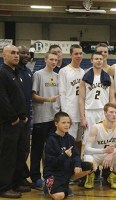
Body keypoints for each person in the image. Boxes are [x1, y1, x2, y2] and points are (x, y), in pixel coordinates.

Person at [43, 112, 92, 200]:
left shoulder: (70, 138)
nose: (67, 125)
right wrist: (64, 155)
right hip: (54, 172)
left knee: (88, 167)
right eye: (63, 123)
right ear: (56, 124)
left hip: (66, 169)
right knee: (59, 196)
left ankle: (66, 183)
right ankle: (48, 185)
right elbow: (51, 162)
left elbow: (76, 155)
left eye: (68, 123)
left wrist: (77, 164)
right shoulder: (51, 140)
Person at [0, 45, 28, 198]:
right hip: (9, 123)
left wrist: (23, 116)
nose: (16, 56)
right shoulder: (2, 73)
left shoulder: (15, 73)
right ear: (4, 56)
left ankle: (16, 182)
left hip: (19, 122)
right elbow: (2, 100)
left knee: (19, 154)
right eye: (12, 53)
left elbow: (18, 98)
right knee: (7, 156)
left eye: (17, 53)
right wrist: (13, 118)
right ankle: (4, 187)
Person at [30, 52, 60, 188]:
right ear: (45, 60)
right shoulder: (38, 75)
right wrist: (48, 99)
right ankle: (35, 177)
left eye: (55, 60)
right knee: (37, 149)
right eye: (51, 59)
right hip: (41, 118)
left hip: (54, 118)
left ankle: (49, 175)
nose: (54, 62)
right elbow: (33, 95)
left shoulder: (58, 76)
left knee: (51, 150)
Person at [83, 103, 116, 189]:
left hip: (110, 155)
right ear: (105, 113)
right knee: (87, 157)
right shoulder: (96, 127)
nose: (114, 115)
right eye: (111, 112)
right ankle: (90, 176)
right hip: (97, 155)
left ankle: (113, 175)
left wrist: (110, 154)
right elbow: (87, 149)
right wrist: (103, 151)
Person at [79, 52, 115, 144]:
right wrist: (82, 117)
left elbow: (112, 98)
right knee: (88, 137)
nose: (99, 61)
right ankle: (86, 157)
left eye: (100, 59)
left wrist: (113, 113)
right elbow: (81, 99)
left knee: (104, 136)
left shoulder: (109, 78)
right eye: (96, 59)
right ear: (91, 61)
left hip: (104, 111)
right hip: (89, 111)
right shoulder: (85, 78)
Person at [58, 44, 85, 155]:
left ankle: (77, 165)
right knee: (69, 141)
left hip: (81, 113)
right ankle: (68, 168)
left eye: (80, 53)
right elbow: (62, 93)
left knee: (79, 141)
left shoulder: (83, 72)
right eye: (76, 54)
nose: (78, 56)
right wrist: (66, 114)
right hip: (70, 112)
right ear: (71, 55)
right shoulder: (64, 71)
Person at [17, 46, 33, 188]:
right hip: (14, 119)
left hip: (26, 118)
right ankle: (12, 180)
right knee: (13, 151)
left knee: (24, 150)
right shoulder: (12, 72)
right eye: (22, 53)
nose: (25, 55)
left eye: (27, 53)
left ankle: (21, 177)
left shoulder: (28, 72)